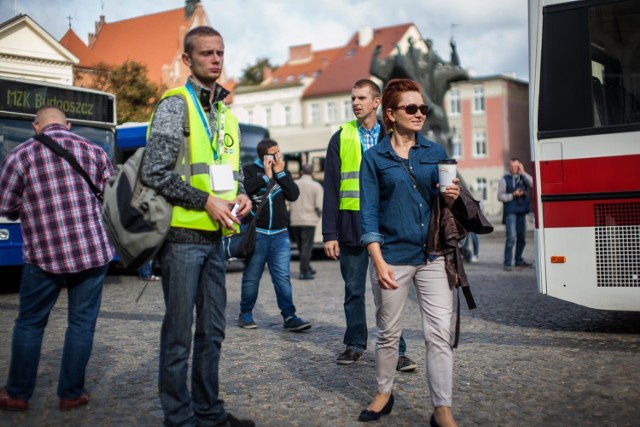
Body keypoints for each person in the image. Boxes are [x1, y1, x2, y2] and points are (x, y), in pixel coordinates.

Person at [139, 26, 254, 427]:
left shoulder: (226, 115)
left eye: (220, 52)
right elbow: (154, 172)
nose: (216, 60)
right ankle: (179, 418)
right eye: (207, 53)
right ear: (187, 60)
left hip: (216, 240)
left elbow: (230, 174)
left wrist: (241, 195)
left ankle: (208, 412)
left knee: (213, 332)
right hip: (182, 240)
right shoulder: (175, 105)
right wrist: (204, 200)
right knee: (178, 336)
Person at [358, 78, 461, 426]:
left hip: (433, 255)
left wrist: (451, 198)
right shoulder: (374, 158)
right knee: (389, 333)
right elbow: (368, 212)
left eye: (423, 108)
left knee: (439, 335)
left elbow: (447, 205)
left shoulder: (434, 152)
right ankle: (384, 393)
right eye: (411, 108)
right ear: (390, 114)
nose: (419, 114)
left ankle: (442, 409)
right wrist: (377, 259)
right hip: (392, 257)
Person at [0, 106, 114, 411]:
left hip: (44, 253)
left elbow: (6, 207)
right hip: (92, 250)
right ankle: (71, 393)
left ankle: (17, 394)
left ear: (36, 127)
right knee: (81, 324)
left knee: (30, 323)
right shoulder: (95, 151)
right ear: (69, 125)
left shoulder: (19, 156)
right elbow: (110, 198)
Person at [322, 78, 416, 371]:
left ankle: (396, 351)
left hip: (387, 229)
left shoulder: (395, 136)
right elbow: (331, 189)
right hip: (351, 227)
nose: (355, 103)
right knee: (353, 290)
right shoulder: (340, 137)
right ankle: (354, 344)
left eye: (361, 97)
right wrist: (329, 233)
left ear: (377, 102)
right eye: (353, 98)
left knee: (390, 291)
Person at [237, 138, 311, 332]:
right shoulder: (249, 170)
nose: (279, 156)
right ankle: (245, 313)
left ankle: (289, 316)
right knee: (252, 276)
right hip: (258, 234)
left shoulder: (281, 173)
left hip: (280, 235)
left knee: (282, 277)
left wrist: (280, 173)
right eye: (274, 153)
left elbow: (294, 194)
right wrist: (266, 176)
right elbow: (247, 186)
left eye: (279, 152)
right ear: (264, 156)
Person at [497, 158, 533, 271]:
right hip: (510, 211)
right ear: (509, 166)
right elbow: (500, 196)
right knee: (511, 237)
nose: (513, 168)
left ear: (519, 166)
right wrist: (513, 194)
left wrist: (523, 172)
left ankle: (518, 260)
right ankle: (507, 262)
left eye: (516, 166)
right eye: (512, 166)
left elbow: (533, 184)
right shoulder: (504, 179)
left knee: (522, 237)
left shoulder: (523, 177)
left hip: (522, 211)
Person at [289, 163, 323, 280]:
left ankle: (307, 267)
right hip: (309, 220)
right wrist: (318, 216)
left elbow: (287, 204)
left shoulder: (294, 184)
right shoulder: (316, 186)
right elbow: (320, 205)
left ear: (301, 172)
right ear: (312, 173)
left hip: (295, 220)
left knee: (300, 247)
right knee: (306, 247)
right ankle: (304, 272)